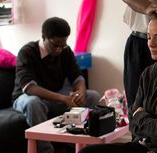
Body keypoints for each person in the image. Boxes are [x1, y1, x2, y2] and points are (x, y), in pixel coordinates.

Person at [79, 13, 157, 153]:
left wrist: (141, 115)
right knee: (88, 152)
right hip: (144, 146)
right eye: (149, 37)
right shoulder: (149, 73)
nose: (151, 44)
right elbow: (132, 124)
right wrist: (150, 122)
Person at [13, 17, 100, 153]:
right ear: (44, 37)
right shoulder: (28, 52)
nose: (59, 49)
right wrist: (63, 99)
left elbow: (77, 76)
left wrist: (80, 92)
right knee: (33, 103)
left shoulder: (65, 51)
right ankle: (46, 151)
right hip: (26, 97)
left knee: (92, 96)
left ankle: (80, 145)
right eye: (55, 45)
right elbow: (29, 88)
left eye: (63, 45)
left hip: (56, 95)